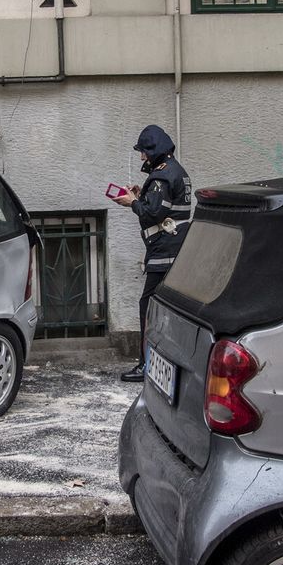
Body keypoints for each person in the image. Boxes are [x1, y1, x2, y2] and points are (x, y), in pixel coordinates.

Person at [112, 124, 192, 382]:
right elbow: (164, 207)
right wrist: (140, 196)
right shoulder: (175, 171)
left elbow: (152, 214)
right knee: (174, 310)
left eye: (144, 151)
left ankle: (146, 365)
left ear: (153, 150)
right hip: (178, 251)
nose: (141, 157)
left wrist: (132, 202)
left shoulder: (161, 176)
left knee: (149, 307)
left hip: (164, 254)